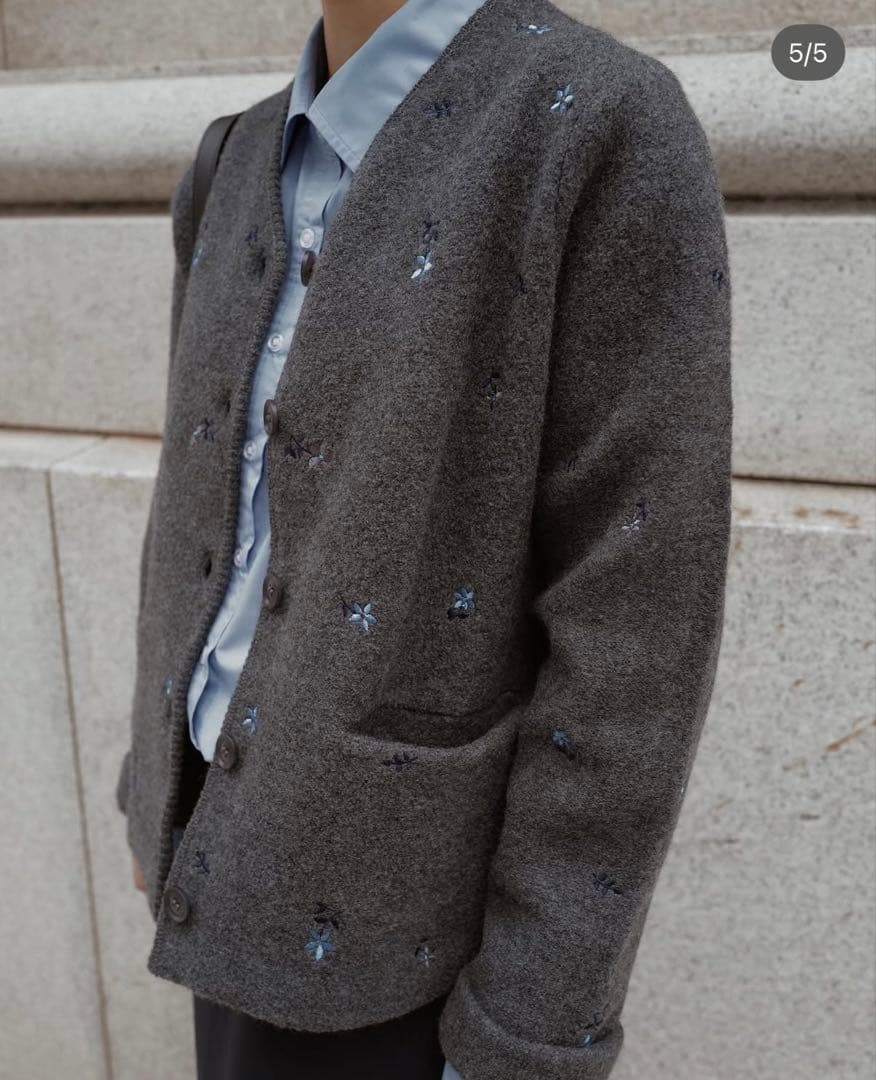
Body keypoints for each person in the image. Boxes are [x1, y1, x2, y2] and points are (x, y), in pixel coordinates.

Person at [116, 0, 733, 1077]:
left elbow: (637, 625)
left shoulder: (596, 125)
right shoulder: (232, 159)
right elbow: (201, 506)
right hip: (214, 864)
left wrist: (529, 1029)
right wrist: (153, 786)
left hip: (412, 945)